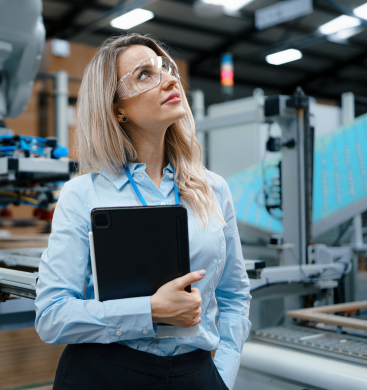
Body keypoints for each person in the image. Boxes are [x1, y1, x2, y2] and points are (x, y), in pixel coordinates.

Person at [34, 33, 251, 390]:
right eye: (144, 74)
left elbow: (235, 295)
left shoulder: (213, 189)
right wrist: (149, 311)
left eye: (165, 68)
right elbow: (52, 316)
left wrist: (222, 374)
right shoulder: (82, 195)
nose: (168, 78)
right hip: (104, 373)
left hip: (194, 374)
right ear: (116, 108)